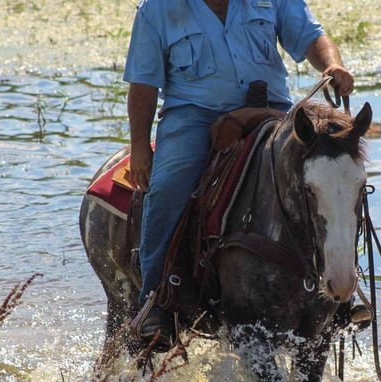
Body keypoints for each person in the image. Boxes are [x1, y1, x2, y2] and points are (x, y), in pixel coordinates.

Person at [123, 0, 359, 344]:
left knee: (336, 177)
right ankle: (155, 298)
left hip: (274, 110)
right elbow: (143, 87)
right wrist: (140, 148)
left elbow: (311, 36)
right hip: (195, 116)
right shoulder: (157, 9)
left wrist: (332, 64)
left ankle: (343, 289)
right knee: (168, 187)